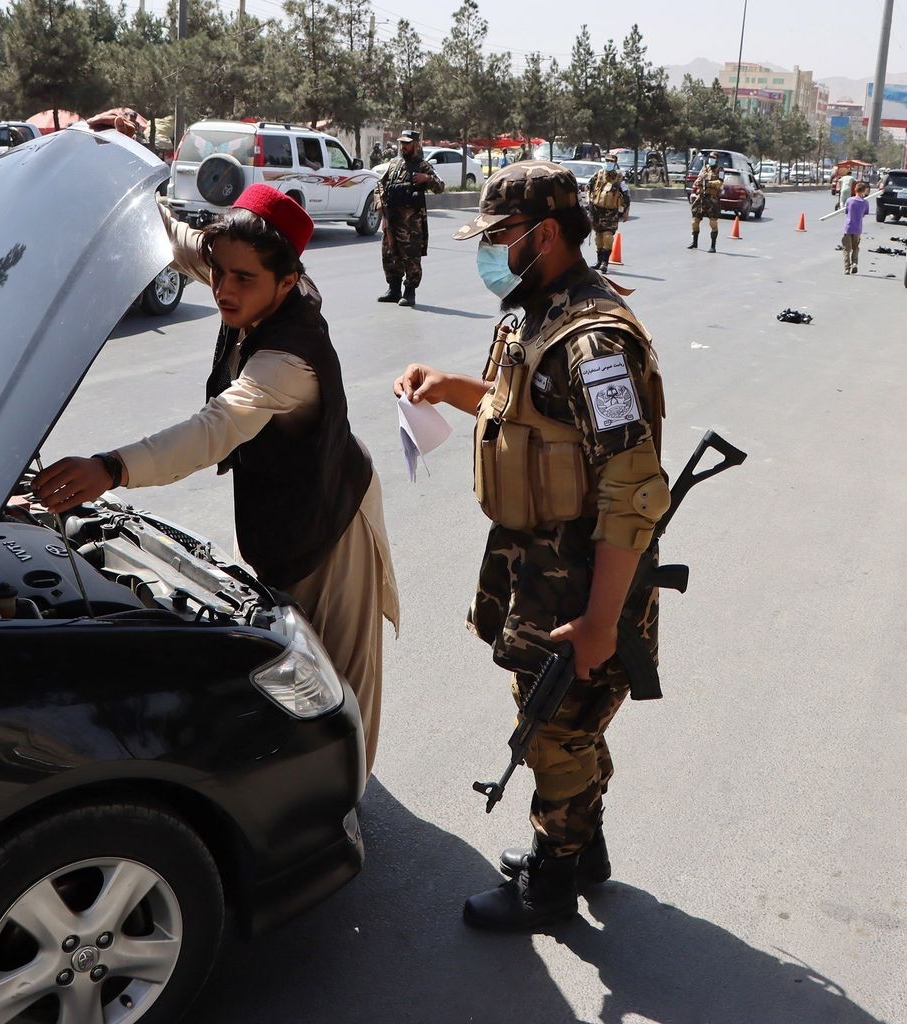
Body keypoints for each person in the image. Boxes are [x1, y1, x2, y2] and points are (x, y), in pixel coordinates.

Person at [33, 184, 399, 772]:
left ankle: (345, 798)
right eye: (219, 273)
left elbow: (214, 430)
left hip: (332, 517)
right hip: (282, 510)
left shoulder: (288, 360)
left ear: (286, 282)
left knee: (338, 675)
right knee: (292, 654)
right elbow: (180, 239)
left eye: (243, 279)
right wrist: (134, 187)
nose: (224, 289)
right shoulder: (248, 281)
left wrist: (110, 467)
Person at [393, 162, 669, 931]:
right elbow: (527, 410)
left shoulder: (594, 340)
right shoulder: (535, 313)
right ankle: (586, 851)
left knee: (553, 734)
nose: (489, 254)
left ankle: (551, 883)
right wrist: (450, 387)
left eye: (500, 238)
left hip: (582, 583)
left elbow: (632, 489)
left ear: (545, 234)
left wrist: (602, 620)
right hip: (534, 570)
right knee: (562, 727)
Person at [373, 129, 445, 308]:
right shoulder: (394, 164)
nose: (403, 146)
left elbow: (440, 186)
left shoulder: (422, 165)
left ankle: (410, 292)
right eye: (402, 143)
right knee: (389, 255)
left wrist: (426, 178)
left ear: (416, 144)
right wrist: (380, 206)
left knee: (411, 257)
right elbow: (379, 186)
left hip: (411, 223)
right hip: (391, 219)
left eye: (407, 143)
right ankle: (393, 289)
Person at [586, 155, 630, 272]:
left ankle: (605, 263)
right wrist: (589, 203)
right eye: (607, 161)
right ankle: (599, 261)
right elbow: (589, 187)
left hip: (611, 213)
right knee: (598, 237)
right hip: (596, 211)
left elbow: (626, 195)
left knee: (608, 236)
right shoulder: (598, 174)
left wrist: (626, 211)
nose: (608, 163)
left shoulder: (619, 178)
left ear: (615, 163)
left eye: (611, 161)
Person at [689, 157, 723, 252]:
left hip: (712, 199)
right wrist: (698, 182)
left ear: (716, 160)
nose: (711, 160)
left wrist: (709, 183)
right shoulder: (704, 168)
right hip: (702, 198)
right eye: (710, 158)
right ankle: (694, 242)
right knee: (695, 221)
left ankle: (713, 246)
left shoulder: (720, 170)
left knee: (713, 223)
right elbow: (698, 180)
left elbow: (720, 182)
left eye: (713, 159)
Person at [842, 181, 871, 274]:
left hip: (848, 227)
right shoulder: (865, 203)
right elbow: (864, 213)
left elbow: (846, 211)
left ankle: (847, 268)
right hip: (858, 229)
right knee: (855, 247)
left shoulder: (849, 200)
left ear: (855, 190)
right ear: (864, 191)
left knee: (846, 249)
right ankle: (854, 263)